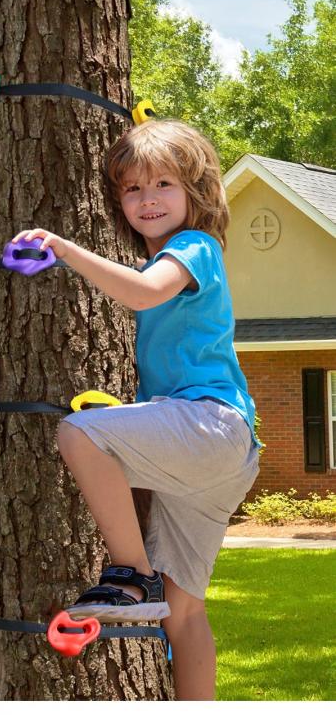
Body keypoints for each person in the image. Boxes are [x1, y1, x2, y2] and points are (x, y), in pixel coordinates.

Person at [13, 119, 259, 700]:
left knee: (80, 435)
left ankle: (131, 577)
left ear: (195, 193)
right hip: (220, 454)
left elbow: (144, 293)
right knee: (185, 614)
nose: (147, 200)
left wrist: (65, 249)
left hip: (211, 424)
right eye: (132, 190)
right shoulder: (164, 254)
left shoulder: (193, 247)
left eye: (164, 185)